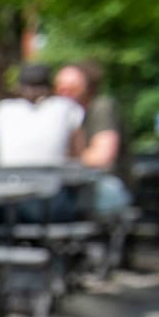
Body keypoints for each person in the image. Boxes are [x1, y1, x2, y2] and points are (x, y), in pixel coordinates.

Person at [55, 61, 131, 214]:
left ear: (89, 87)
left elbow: (102, 157)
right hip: (70, 187)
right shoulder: (61, 114)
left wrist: (56, 158)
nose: (65, 92)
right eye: (60, 88)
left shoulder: (101, 108)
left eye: (72, 88)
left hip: (104, 186)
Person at [0, 62, 83, 167]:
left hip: (10, 178)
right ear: (50, 87)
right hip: (55, 179)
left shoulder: (1, 110)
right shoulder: (67, 107)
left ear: (19, 87)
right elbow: (77, 153)